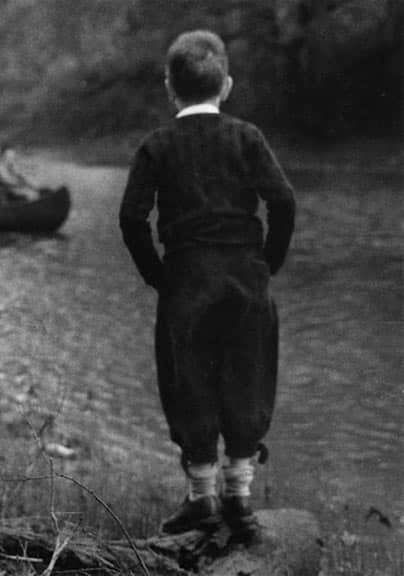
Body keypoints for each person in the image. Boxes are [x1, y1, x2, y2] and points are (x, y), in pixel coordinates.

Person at [119, 30, 295, 540]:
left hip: (187, 281)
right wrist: (268, 264)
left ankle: (203, 499)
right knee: (248, 377)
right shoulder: (247, 137)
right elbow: (282, 202)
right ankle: (239, 499)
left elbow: (132, 218)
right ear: (228, 85)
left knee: (189, 382)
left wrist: (158, 275)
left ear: (169, 86)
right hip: (245, 278)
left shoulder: (156, 145)